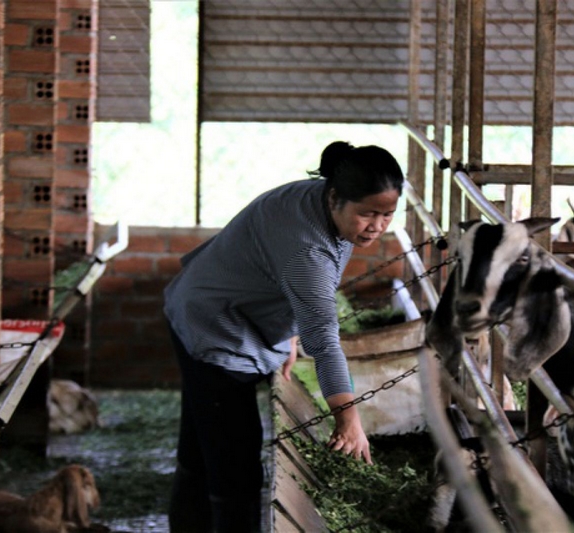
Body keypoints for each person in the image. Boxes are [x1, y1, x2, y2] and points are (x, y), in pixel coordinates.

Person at [163, 140, 404, 532]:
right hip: (216, 327)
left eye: (387, 214)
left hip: (207, 300)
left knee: (202, 442)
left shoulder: (316, 197)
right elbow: (323, 339)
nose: (377, 226)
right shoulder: (308, 250)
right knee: (236, 462)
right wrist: (349, 420)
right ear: (335, 198)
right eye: (367, 214)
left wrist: (288, 332)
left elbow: (278, 270)